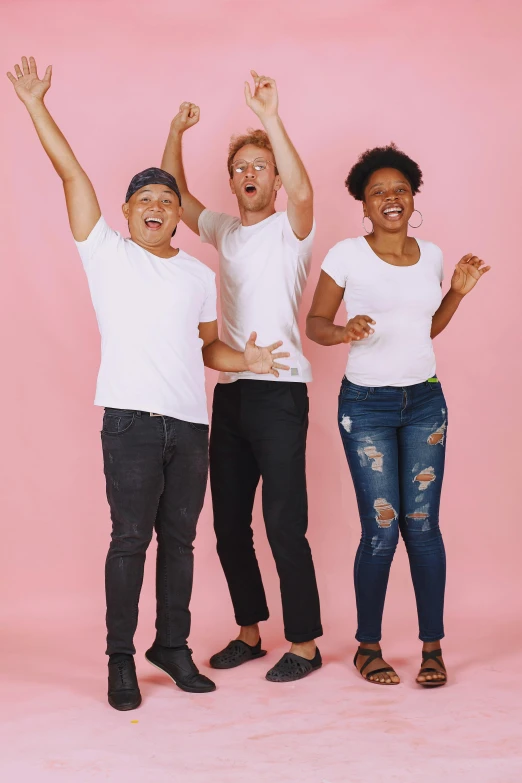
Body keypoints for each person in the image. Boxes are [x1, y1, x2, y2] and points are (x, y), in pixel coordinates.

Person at [7, 57, 288, 710]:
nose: (159, 205)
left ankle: (173, 645)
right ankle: (120, 660)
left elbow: (208, 345)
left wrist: (249, 358)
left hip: (191, 426)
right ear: (127, 212)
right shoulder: (106, 253)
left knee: (182, 541)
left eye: (168, 198)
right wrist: (34, 104)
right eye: (146, 199)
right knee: (130, 538)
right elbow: (71, 171)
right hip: (131, 422)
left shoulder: (195, 274)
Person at [306, 143, 490, 687]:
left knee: (424, 527)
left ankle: (432, 648)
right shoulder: (345, 255)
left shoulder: (431, 256)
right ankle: (369, 648)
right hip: (366, 406)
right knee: (382, 529)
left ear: (413, 199)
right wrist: (342, 332)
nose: (391, 197)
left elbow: (424, 329)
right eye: (378, 191)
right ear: (364, 204)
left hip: (425, 403)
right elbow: (316, 322)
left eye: (400, 189)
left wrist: (455, 294)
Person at [161, 71, 323, 682]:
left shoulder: (292, 230)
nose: (249, 173)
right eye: (240, 167)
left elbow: (305, 189)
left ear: (274, 178)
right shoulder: (225, 232)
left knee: (284, 521)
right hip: (230, 392)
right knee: (228, 523)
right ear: (232, 180)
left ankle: (303, 643)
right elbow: (175, 191)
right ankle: (251, 633)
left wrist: (270, 117)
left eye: (260, 165)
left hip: (280, 391)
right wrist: (175, 131)